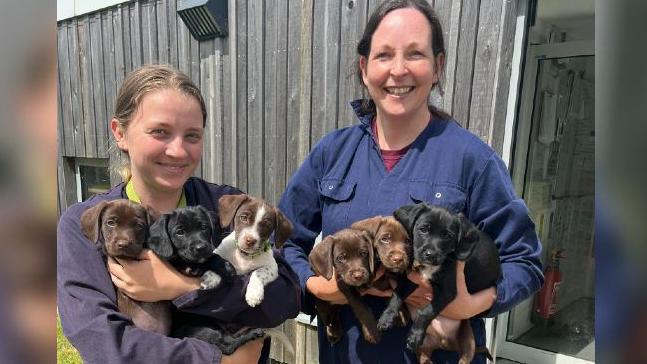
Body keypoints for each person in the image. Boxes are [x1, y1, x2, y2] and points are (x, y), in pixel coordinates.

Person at [278, 1, 544, 363]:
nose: (398, 70)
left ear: (437, 66)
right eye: (384, 55)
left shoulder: (472, 160)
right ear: (364, 68)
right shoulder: (332, 153)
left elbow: (525, 261)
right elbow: (284, 241)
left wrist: (473, 302)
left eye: (415, 54)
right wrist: (316, 286)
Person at [57, 65, 301, 364]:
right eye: (160, 132)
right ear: (120, 133)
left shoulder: (225, 209)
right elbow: (102, 340)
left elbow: (286, 299)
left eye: (192, 136)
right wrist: (220, 360)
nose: (178, 150)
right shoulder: (86, 224)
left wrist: (184, 287)